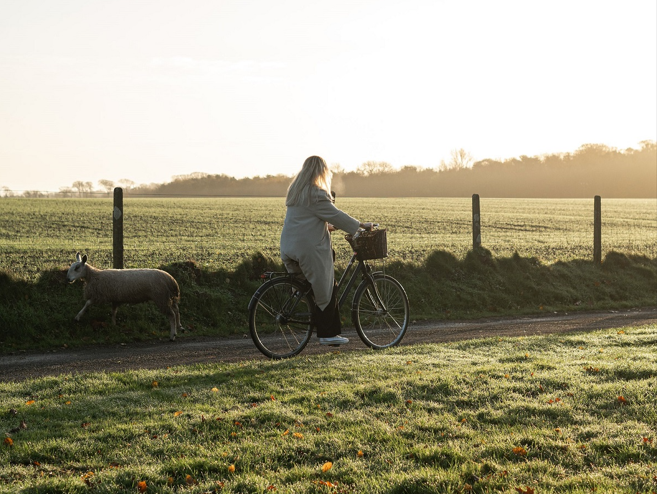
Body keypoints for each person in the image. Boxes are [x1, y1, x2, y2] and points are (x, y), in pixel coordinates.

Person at [280, 156, 372, 346]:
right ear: (321, 172)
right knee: (328, 287)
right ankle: (327, 333)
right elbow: (336, 215)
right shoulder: (316, 193)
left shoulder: (296, 192)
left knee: (311, 286)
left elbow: (306, 220)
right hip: (307, 250)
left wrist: (326, 227)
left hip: (289, 247)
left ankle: (307, 306)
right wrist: (360, 226)